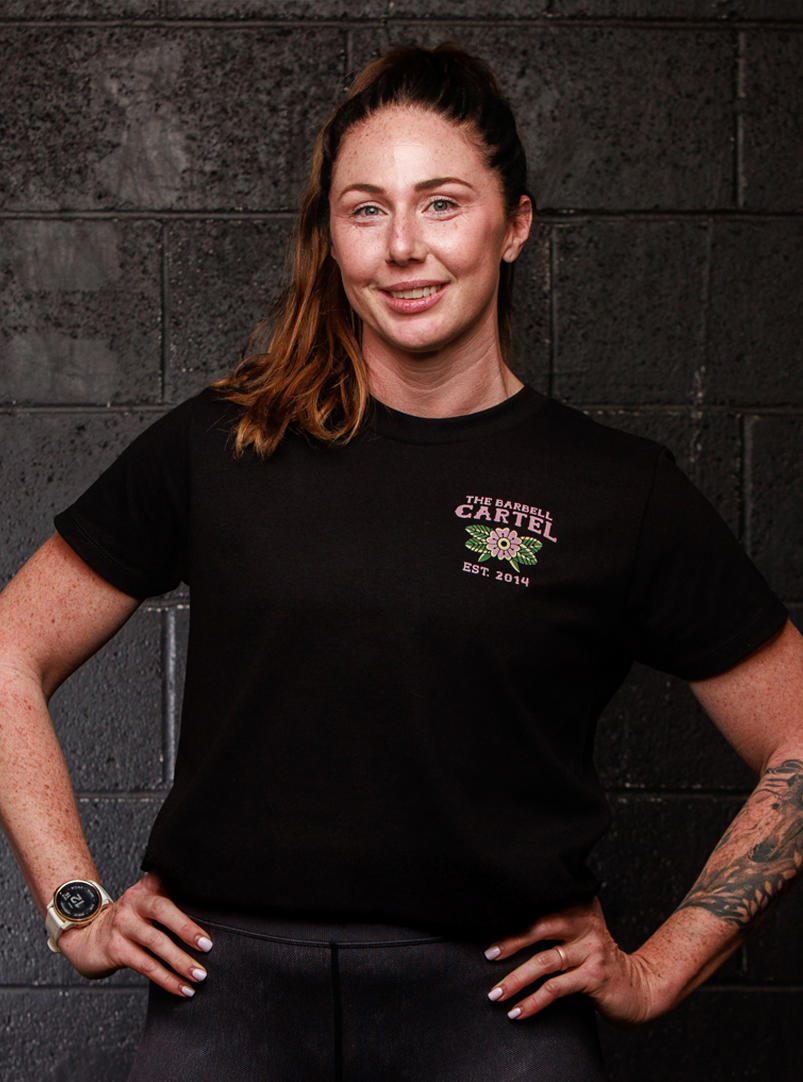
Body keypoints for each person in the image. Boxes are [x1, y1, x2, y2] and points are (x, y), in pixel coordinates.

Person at [0, 43, 801, 1082]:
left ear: (513, 224)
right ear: (330, 236)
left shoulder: (616, 489)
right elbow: (10, 649)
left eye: (441, 204)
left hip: (497, 1021)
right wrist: (74, 905)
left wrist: (661, 967)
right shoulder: (223, 444)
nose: (403, 248)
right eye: (366, 210)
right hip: (223, 1007)